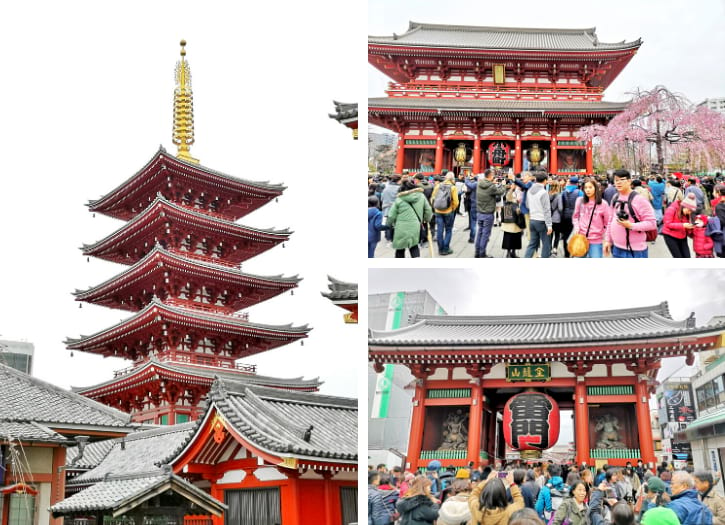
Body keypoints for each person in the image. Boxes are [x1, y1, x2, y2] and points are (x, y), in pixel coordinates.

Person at [604, 169, 657, 258]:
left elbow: (652, 223)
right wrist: (608, 240)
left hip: (635, 251)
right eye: (616, 180)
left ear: (629, 181)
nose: (618, 183)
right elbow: (610, 220)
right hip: (616, 248)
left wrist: (631, 225)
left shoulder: (640, 199)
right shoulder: (615, 197)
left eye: (622, 180)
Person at [386, 177, 433, 258]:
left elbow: (391, 215)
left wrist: (388, 224)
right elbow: (428, 210)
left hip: (400, 227)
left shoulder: (399, 199)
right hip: (416, 226)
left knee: (400, 249)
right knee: (414, 246)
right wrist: (426, 220)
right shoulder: (421, 196)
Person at [571, 178, 611, 258]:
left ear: (595, 188)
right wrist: (577, 227)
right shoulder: (580, 201)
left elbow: (608, 223)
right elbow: (575, 217)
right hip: (581, 238)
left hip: (596, 240)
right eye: (585, 188)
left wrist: (607, 239)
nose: (587, 190)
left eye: (590, 187)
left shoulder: (603, 204)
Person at [475, 169, 506, 258]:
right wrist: (503, 185)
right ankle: (482, 253)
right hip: (488, 213)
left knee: (480, 233)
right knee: (485, 234)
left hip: (480, 212)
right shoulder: (491, 187)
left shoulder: (479, 184)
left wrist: (493, 183)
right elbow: (500, 192)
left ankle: (477, 252)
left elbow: (490, 188)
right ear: (490, 175)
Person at [523, 172, 553, 258]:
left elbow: (527, 205)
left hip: (532, 220)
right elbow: (547, 210)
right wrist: (549, 225)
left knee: (532, 244)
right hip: (542, 221)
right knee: (546, 245)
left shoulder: (529, 191)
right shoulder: (543, 192)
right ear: (545, 181)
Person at [430, 173, 460, 256]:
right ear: (452, 179)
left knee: (439, 230)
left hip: (438, 211)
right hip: (448, 212)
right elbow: (456, 202)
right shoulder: (453, 187)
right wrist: (452, 208)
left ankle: (440, 249)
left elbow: (432, 198)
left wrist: (435, 208)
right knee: (448, 230)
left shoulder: (438, 186)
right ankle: (446, 249)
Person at [662, 192, 697, 258]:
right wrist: (683, 225)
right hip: (670, 236)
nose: (689, 213)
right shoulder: (672, 208)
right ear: (684, 206)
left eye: (691, 211)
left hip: (682, 236)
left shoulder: (686, 214)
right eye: (689, 210)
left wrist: (691, 228)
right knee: (678, 257)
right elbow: (667, 224)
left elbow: (687, 229)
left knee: (687, 256)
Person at [558, 176, 584, 257]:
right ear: (577, 183)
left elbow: (561, 205)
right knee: (574, 235)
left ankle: (566, 254)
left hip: (564, 217)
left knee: (565, 236)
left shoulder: (563, 192)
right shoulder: (580, 192)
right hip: (575, 217)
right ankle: (573, 252)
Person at [501, 182, 524, 257]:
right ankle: (509, 253)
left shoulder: (519, 191)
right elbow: (508, 197)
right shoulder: (510, 192)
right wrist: (511, 189)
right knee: (511, 236)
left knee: (514, 236)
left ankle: (512, 252)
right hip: (512, 217)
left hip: (513, 217)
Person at [381, 175, 401, 243]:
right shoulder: (399, 188)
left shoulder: (386, 188)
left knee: (388, 222)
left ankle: (388, 237)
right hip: (396, 208)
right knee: (396, 223)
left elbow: (382, 198)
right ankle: (394, 237)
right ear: (398, 180)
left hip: (386, 208)